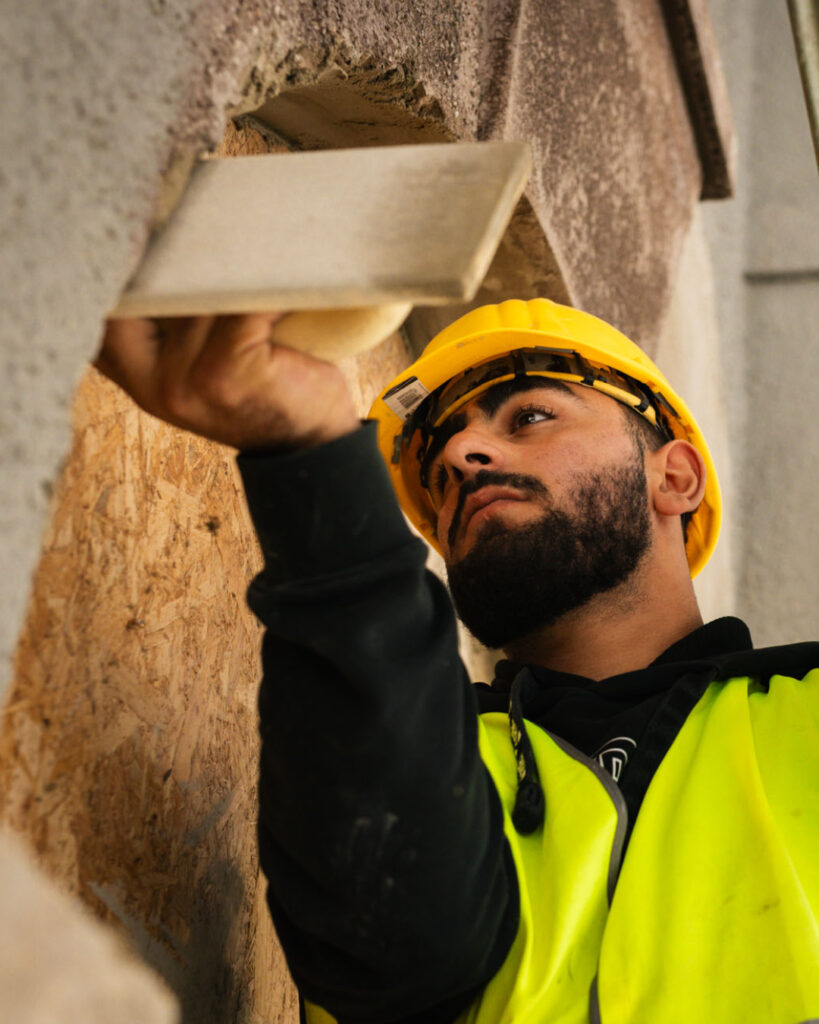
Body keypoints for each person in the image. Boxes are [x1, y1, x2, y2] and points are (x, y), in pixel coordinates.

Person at [100, 298, 819, 1024]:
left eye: (530, 417)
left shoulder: (802, 717)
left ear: (675, 479)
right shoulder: (434, 755)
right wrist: (307, 452)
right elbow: (398, 953)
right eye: (439, 473)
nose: (459, 456)